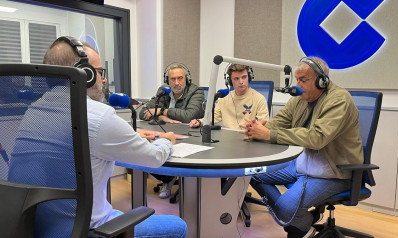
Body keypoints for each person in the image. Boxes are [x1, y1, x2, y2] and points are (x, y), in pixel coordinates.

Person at [10, 36, 187, 237]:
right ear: (85, 74)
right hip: (88, 229)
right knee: (178, 225)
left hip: (38, 227)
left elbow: (77, 138)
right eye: (100, 72)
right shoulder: (97, 115)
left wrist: (129, 135)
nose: (103, 79)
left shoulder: (33, 110)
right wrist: (167, 140)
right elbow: (154, 157)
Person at [240, 57, 363, 238]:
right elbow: (280, 122)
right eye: (297, 80)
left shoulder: (339, 100)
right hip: (302, 164)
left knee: (285, 208)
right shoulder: (300, 99)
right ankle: (300, 218)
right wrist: (260, 127)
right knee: (247, 171)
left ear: (322, 81)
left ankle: (302, 225)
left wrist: (268, 135)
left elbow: (317, 138)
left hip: (332, 172)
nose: (298, 85)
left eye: (303, 80)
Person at [140, 63, 204, 199]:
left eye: (180, 78)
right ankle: (167, 179)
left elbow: (188, 116)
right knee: (148, 153)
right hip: (166, 134)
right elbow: (143, 112)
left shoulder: (196, 91)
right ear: (167, 81)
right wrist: (163, 117)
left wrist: (161, 110)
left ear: (187, 79)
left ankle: (186, 185)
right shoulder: (163, 91)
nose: (176, 83)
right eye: (172, 79)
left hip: (190, 137)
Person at [189, 64, 269, 129]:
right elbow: (214, 117)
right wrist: (199, 122)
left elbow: (264, 125)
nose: (241, 82)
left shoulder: (259, 99)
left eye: (244, 77)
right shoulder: (224, 99)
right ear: (230, 81)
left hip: (250, 139)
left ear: (249, 77)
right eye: (236, 79)